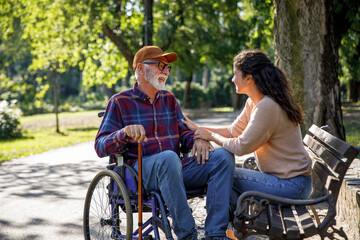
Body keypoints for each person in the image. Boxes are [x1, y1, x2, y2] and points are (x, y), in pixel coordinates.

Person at [95, 46, 235, 240]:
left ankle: (215, 234)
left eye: (167, 68)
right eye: (160, 66)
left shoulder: (169, 99)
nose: (166, 72)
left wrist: (198, 137)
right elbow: (100, 146)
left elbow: (185, 132)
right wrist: (123, 133)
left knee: (223, 156)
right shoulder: (119, 101)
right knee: (168, 158)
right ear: (141, 70)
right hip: (139, 174)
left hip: (174, 171)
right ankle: (188, 236)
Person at [182, 49, 313, 211]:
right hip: (285, 181)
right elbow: (233, 132)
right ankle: (238, 221)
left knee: (221, 173)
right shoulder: (254, 102)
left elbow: (240, 147)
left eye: (235, 74)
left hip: (291, 186)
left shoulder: (267, 105)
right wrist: (199, 129)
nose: (232, 79)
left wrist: (211, 136)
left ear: (248, 78)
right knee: (222, 172)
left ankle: (228, 225)